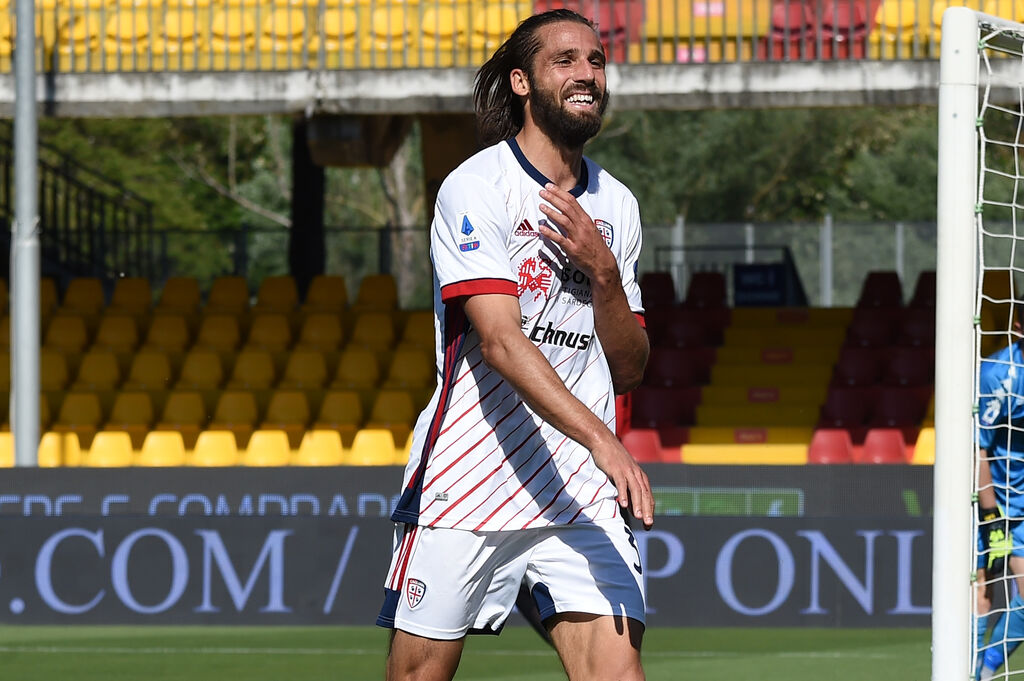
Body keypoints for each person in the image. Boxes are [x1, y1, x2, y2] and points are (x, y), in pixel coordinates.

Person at [375, 9, 654, 681]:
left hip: (577, 491)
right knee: (418, 674)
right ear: (522, 82)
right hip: (471, 476)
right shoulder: (475, 188)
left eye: (596, 61)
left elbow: (630, 367)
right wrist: (602, 437)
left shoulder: (616, 205)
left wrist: (605, 271)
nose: (587, 74)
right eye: (566, 62)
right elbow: (499, 340)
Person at [975, 309, 1024, 680]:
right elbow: (978, 451)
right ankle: (967, 670)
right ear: (1019, 327)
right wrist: (992, 521)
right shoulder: (998, 375)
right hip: (994, 501)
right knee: (982, 598)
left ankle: (986, 668)